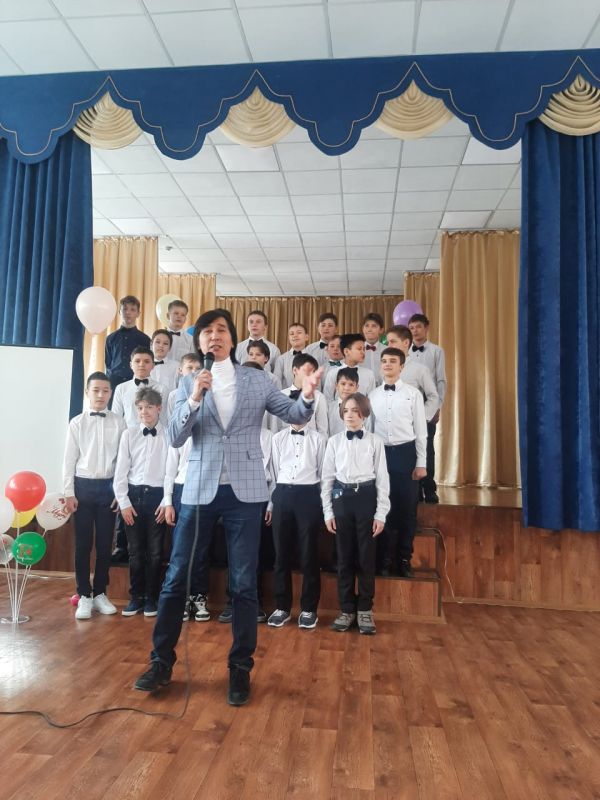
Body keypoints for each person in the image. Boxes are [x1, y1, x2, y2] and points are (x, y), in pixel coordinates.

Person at [134, 309, 322, 706]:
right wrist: (195, 397)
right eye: (206, 331)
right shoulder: (187, 383)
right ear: (199, 341)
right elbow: (175, 436)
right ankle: (160, 662)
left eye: (221, 330)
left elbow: (292, 414)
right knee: (176, 578)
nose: (214, 336)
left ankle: (239, 669)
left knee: (243, 583)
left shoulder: (257, 379)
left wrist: (306, 395)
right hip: (198, 489)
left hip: (245, 492)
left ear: (232, 340)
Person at [321, 394, 390, 635]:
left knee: (366, 557)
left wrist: (381, 513)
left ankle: (365, 609)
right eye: (346, 410)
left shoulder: (375, 442)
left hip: (366, 498)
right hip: (341, 498)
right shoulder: (334, 442)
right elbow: (327, 479)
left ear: (364, 414)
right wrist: (328, 511)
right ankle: (346, 609)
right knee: (344, 557)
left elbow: (382, 479)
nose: (349, 414)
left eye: (355, 410)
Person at [63, 372, 126, 620]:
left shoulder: (119, 422)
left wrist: (121, 492)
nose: (101, 395)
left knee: (104, 544)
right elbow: (69, 460)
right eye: (96, 390)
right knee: (82, 544)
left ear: (110, 393)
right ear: (88, 392)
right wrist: (69, 492)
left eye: (105, 390)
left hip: (109, 488)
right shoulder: (77, 423)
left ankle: (100, 592)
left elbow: (123, 462)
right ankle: (84, 595)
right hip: (83, 487)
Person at [369, 348, 427, 577]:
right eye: (384, 361)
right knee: (382, 507)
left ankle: (404, 559)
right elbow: (370, 432)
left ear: (402, 366)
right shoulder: (373, 395)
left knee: (407, 509)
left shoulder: (413, 394)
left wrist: (421, 462)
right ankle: (383, 559)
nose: (387, 365)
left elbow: (421, 431)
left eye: (392, 361)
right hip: (381, 454)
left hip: (406, 453)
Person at [113, 388, 169, 617]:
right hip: (133, 497)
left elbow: (171, 471)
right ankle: (136, 597)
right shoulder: (129, 434)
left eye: (148, 407)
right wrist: (124, 502)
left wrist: (166, 500)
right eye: (140, 408)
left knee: (155, 552)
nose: (144, 412)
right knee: (135, 551)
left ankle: (152, 598)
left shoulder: (169, 435)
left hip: (158, 496)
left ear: (159, 409)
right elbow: (121, 471)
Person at [267, 421, 325, 630]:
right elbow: (274, 474)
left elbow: (323, 474)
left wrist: (323, 505)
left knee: (309, 554)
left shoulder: (319, 439)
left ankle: (309, 609)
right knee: (281, 555)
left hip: (308, 495)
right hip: (283, 495)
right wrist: (272, 504)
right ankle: (282, 607)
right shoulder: (278, 438)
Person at [163, 438, 211, 622]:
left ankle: (199, 596)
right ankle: (180, 598)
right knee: (180, 548)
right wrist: (168, 503)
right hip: (181, 488)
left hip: (205, 488)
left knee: (202, 547)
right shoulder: (178, 434)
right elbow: (169, 472)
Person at [407, 314, 447, 504]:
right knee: (410, 447)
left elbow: (441, 380)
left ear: (426, 328)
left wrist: (437, 406)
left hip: (427, 400)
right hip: (407, 402)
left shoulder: (436, 351)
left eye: (418, 327)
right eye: (411, 327)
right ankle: (414, 489)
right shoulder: (404, 351)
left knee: (427, 446)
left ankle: (429, 488)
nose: (415, 331)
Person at [385, 326, 439, 423]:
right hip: (385, 424)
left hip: (410, 426)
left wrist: (420, 418)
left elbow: (433, 396)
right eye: (387, 342)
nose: (389, 346)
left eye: (392, 341)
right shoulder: (383, 369)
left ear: (406, 342)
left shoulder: (420, 370)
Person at [104, 295, 151, 399]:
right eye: (125, 309)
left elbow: (148, 363)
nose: (128, 312)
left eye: (132, 310)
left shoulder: (145, 339)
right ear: (119, 312)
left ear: (138, 313)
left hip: (136, 382)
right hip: (114, 383)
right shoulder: (110, 338)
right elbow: (108, 364)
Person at [271, 353, 328, 437]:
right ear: (295, 370)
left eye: (313, 372)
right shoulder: (280, 396)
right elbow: (274, 428)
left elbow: (322, 430)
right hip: (285, 443)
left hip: (310, 443)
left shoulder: (319, 397)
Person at [112, 346, 169, 427]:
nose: (141, 364)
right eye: (137, 361)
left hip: (154, 433)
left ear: (153, 365)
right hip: (128, 433)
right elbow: (116, 418)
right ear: (131, 365)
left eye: (146, 361)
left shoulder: (162, 389)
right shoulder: (121, 388)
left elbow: (164, 419)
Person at [322, 333, 376, 401]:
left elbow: (371, 400)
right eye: (359, 349)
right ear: (346, 351)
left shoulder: (369, 374)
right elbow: (327, 399)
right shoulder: (333, 373)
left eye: (363, 349)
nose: (363, 352)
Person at [274, 322, 309, 389]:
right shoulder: (281, 359)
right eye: (291, 334)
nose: (295, 336)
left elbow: (317, 383)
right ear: (289, 338)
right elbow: (277, 383)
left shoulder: (313, 358)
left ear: (306, 337)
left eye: (299, 332)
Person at [167, 353, 201, 419]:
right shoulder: (173, 395)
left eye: (198, 369)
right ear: (180, 370)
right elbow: (171, 420)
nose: (194, 371)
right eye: (190, 368)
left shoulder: (205, 393)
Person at [328, 367, 359, 436]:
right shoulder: (329, 408)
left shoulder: (363, 408)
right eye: (343, 384)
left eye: (351, 385)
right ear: (336, 386)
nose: (346, 388)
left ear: (357, 388)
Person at [150, 329, 179, 393]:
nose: (161, 346)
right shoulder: (144, 365)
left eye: (165, 343)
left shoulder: (177, 366)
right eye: (158, 342)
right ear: (151, 344)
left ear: (170, 348)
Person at [362, 312, 385, 380]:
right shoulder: (356, 350)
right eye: (367, 326)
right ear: (363, 329)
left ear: (381, 330)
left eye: (374, 326)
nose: (369, 329)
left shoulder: (387, 350)